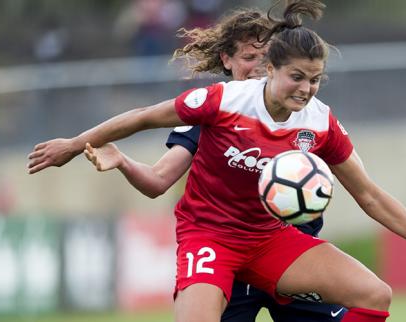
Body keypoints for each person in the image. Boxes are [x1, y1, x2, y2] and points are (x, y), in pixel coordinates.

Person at [28, 1, 406, 321]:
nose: (306, 89)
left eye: (315, 79)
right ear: (270, 69)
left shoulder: (320, 123)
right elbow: (144, 117)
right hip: (209, 236)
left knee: (375, 296)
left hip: (270, 240)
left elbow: (369, 196)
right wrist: (74, 144)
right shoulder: (221, 101)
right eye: (296, 77)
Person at [84, 7, 346, 322]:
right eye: (249, 58)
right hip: (231, 269)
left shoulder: (309, 117)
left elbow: (365, 189)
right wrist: (123, 161)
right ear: (227, 60)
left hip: (290, 260)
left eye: (266, 58)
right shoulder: (211, 113)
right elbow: (158, 179)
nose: (258, 68)